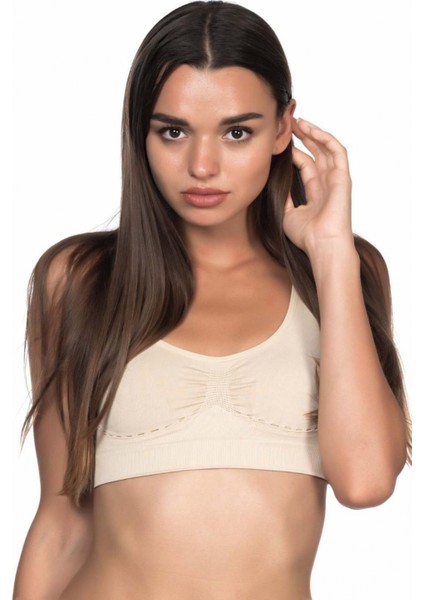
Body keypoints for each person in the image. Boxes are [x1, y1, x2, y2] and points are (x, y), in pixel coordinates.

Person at [13, 1, 412, 598]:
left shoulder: (344, 274)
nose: (202, 166)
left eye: (236, 132)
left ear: (284, 128)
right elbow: (61, 520)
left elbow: (365, 481)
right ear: (141, 131)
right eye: (173, 131)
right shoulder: (79, 280)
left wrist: (331, 255)